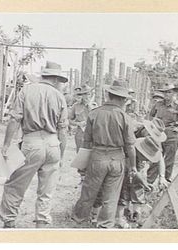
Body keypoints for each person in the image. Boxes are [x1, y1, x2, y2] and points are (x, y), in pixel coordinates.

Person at [0, 61, 68, 228]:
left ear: (43, 75)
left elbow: (15, 119)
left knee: (15, 184)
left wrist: (7, 144)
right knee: (46, 190)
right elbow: (63, 129)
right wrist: (61, 153)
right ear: (57, 79)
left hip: (32, 141)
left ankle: (9, 221)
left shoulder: (27, 90)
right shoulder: (59, 96)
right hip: (53, 143)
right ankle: (41, 225)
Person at [71, 82, 136, 228]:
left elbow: (86, 142)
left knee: (89, 191)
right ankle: (104, 225)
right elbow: (130, 146)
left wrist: (83, 165)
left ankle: (79, 219)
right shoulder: (125, 117)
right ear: (123, 99)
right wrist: (132, 166)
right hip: (117, 158)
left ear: (108, 95)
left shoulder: (94, 113)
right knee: (111, 196)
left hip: (97, 156)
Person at [147, 84, 178, 183]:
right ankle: (148, 183)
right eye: (165, 92)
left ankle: (164, 184)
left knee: (169, 160)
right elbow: (150, 115)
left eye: (169, 92)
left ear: (175, 93)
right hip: (158, 134)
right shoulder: (158, 104)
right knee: (155, 157)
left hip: (172, 136)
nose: (166, 94)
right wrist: (151, 126)